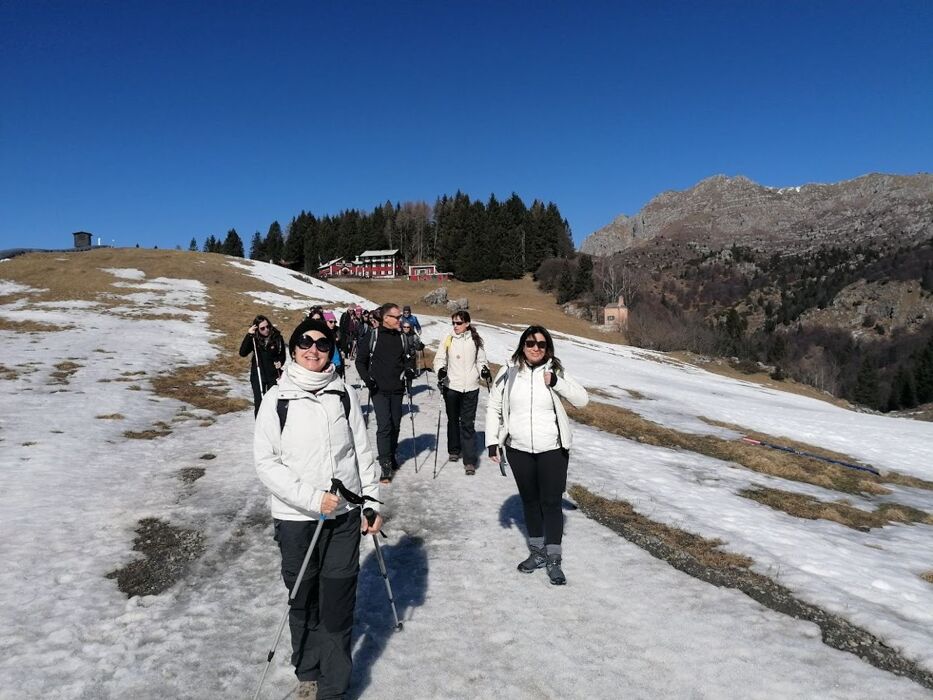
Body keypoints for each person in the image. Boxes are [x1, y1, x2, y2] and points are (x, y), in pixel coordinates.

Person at [254, 317, 383, 700]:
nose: (314, 349)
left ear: (332, 351)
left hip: (343, 518)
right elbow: (266, 463)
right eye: (305, 343)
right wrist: (312, 499)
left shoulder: (343, 394)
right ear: (293, 349)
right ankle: (308, 671)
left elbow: (362, 452)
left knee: (338, 601)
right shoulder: (276, 399)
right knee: (303, 598)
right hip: (296, 519)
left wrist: (371, 502)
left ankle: (333, 688)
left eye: (323, 344)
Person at [486, 325, 588, 585]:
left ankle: (554, 558)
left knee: (551, 503)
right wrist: (492, 442)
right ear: (523, 345)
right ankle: (537, 553)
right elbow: (494, 406)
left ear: (548, 348)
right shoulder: (509, 372)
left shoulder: (556, 370)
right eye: (530, 343)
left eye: (541, 344)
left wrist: (556, 382)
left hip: (552, 449)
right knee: (530, 501)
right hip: (518, 449)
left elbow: (582, 400)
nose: (535, 348)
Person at [355, 302, 417, 483]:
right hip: (378, 389)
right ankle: (385, 464)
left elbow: (408, 359)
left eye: (400, 317)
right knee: (384, 426)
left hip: (397, 389)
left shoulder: (402, 337)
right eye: (396, 317)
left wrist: (409, 369)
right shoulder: (373, 336)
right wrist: (368, 380)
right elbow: (360, 361)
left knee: (396, 425)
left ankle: (391, 454)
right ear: (385, 318)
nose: (400, 320)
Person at [433, 311, 490, 475]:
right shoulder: (448, 338)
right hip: (451, 386)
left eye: (458, 323)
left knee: (467, 423)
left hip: (471, 387)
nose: (455, 326)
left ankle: (470, 460)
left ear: (467, 324)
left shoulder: (475, 340)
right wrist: (440, 370)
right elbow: (439, 359)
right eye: (453, 323)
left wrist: (484, 371)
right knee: (453, 420)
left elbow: (481, 361)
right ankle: (454, 450)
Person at [239, 314, 286, 416]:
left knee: (273, 403)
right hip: (258, 375)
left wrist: (280, 362)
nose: (266, 330)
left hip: (273, 375)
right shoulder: (254, 339)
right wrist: (249, 335)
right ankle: (259, 424)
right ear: (257, 329)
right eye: (262, 328)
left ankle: (273, 424)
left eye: (268, 326)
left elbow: (282, 355)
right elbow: (242, 353)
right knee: (259, 403)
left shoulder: (277, 337)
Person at [401, 320, 425, 392]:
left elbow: (417, 346)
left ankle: (409, 390)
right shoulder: (399, 335)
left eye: (407, 327)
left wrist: (420, 346)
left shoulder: (414, 335)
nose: (406, 328)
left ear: (410, 327)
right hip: (401, 357)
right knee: (401, 374)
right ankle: (401, 389)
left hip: (411, 358)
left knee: (409, 374)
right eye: (404, 327)